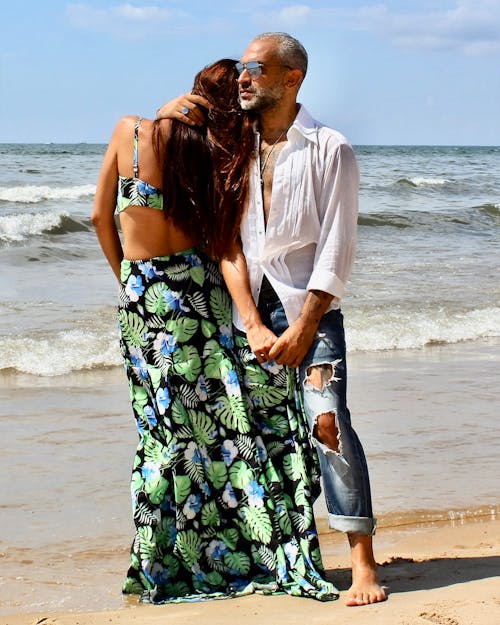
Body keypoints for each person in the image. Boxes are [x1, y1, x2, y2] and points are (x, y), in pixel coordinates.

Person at [92, 59, 337, 604]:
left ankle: (160, 565)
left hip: (145, 302)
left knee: (162, 431)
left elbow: (99, 219)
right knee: (221, 426)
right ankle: (251, 542)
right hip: (201, 299)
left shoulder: (130, 131)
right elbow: (225, 244)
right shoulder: (217, 157)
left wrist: (131, 282)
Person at [157, 33, 387, 606]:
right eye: (241, 68)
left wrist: (304, 326)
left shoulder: (330, 148)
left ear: (292, 79)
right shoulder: (231, 149)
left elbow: (337, 249)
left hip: (310, 309)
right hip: (246, 314)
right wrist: (252, 323)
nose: (243, 76)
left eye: (256, 68)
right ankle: (283, 556)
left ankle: (363, 564)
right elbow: (228, 245)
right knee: (259, 439)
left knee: (327, 425)